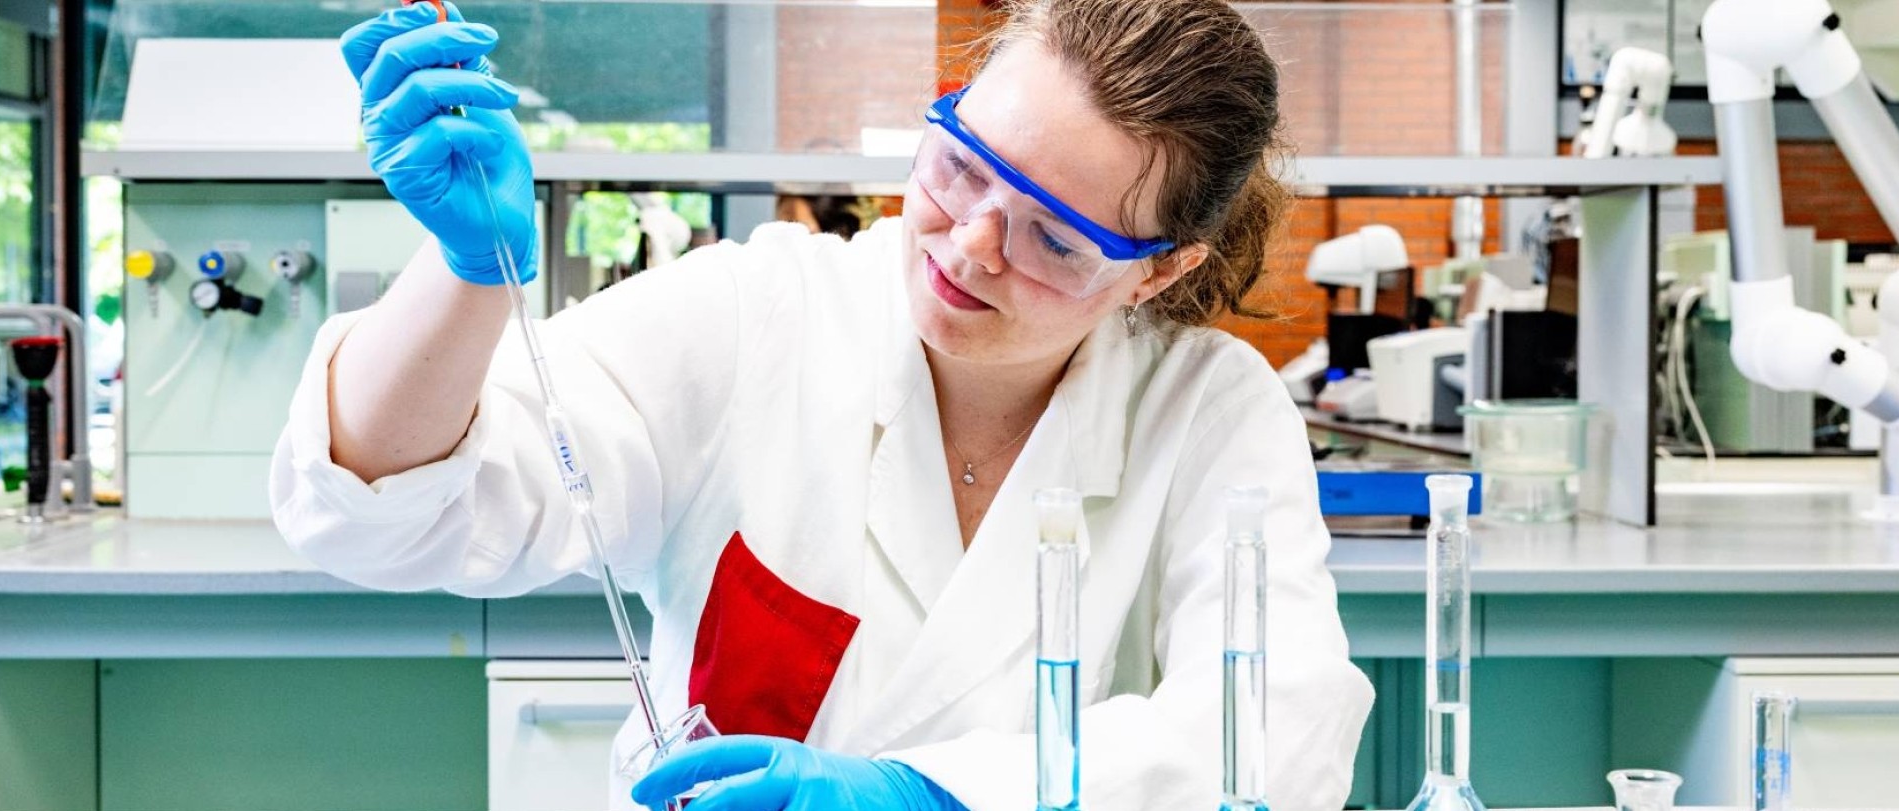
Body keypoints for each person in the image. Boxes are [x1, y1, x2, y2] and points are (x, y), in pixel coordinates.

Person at [270, 0, 1374, 807]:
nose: (971, 243)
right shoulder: (760, 311)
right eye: (962, 165)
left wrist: (924, 795)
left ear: (1154, 272)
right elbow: (390, 512)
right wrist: (466, 276)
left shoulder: (1205, 413)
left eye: (1053, 235)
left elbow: (1280, 736)